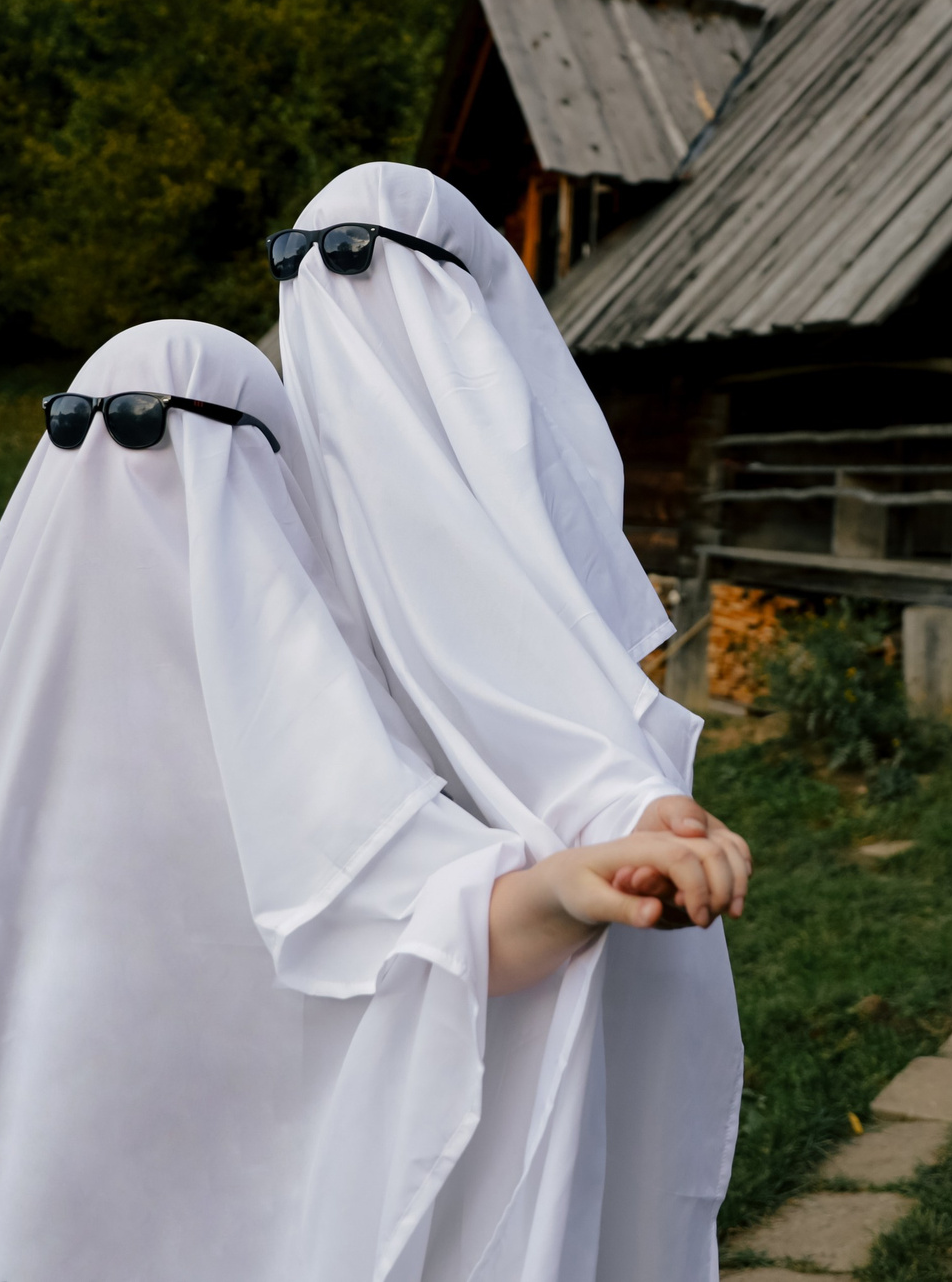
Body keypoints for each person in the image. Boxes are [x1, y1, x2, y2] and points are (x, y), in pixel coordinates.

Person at [0, 321, 741, 1282]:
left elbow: (421, 914)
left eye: (148, 438)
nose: (124, 474)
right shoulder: (62, 711)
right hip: (24, 1187)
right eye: (85, 429)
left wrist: (567, 887)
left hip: (187, 1197)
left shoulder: (308, 721)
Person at [270, 163, 746, 1282]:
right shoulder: (288, 517)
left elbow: (546, 699)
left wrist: (642, 803)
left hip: (529, 944)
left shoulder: (463, 524)